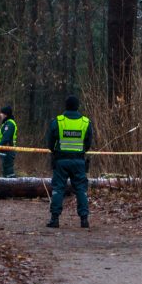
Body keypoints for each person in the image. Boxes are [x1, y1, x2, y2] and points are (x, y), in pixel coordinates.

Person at [45, 95, 93, 228]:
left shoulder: (58, 121)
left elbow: (50, 142)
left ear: (65, 106)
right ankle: (84, 220)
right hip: (79, 161)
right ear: (78, 106)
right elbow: (88, 142)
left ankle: (55, 219)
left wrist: (56, 152)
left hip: (61, 161)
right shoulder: (85, 122)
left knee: (58, 189)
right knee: (81, 189)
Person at [0, 105, 17, 178]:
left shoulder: (10, 124)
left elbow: (6, 138)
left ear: (6, 114)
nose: (0, 114)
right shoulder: (5, 123)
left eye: (1, 113)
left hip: (8, 150)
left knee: (8, 172)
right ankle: (8, 187)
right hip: (5, 150)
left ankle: (12, 187)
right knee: (5, 171)